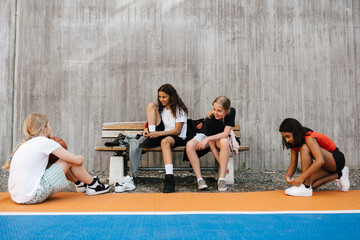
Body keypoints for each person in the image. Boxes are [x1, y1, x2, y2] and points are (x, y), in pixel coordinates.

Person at [3, 113, 110, 204]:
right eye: (49, 125)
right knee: (68, 160)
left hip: (17, 197)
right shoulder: (44, 142)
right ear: (44, 129)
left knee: (52, 163)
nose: (51, 128)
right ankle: (94, 185)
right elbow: (76, 160)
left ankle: (80, 184)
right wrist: (80, 158)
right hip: (33, 196)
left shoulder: (24, 145)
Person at [279, 118, 350, 197]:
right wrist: (288, 176)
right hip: (325, 165)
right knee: (310, 184)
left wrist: (302, 177)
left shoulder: (309, 138)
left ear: (295, 133)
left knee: (304, 148)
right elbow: (293, 164)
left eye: (288, 136)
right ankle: (339, 174)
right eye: (284, 137)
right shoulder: (294, 143)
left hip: (335, 160)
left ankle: (306, 188)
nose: (287, 140)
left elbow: (320, 160)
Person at [140, 84, 188, 193]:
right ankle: (151, 136)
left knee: (165, 141)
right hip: (161, 133)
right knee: (151, 105)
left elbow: (177, 130)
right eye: (160, 97)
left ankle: (169, 178)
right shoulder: (161, 109)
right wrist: (147, 129)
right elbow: (152, 120)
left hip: (177, 137)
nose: (161, 99)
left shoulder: (179, 110)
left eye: (164, 97)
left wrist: (159, 134)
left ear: (171, 96)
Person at [186, 96, 235, 192]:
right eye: (214, 109)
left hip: (219, 137)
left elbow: (225, 134)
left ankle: (221, 180)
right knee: (189, 145)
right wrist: (221, 164)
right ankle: (200, 179)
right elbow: (212, 145)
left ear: (227, 111)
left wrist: (208, 138)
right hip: (205, 135)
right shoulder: (209, 119)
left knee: (225, 141)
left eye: (219, 111)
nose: (215, 113)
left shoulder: (232, 112)